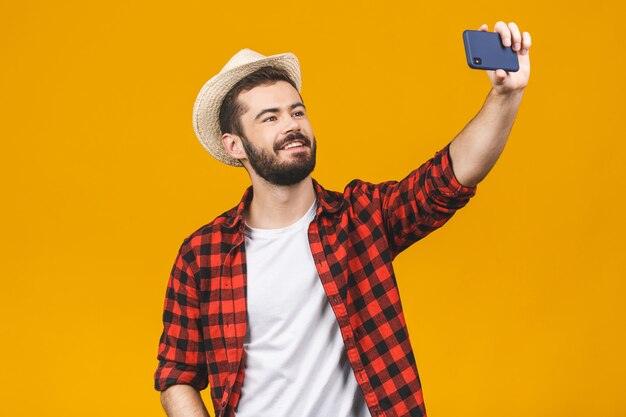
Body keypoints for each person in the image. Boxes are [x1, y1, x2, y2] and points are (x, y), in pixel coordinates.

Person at [154, 21, 532, 417]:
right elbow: (176, 374)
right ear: (235, 146)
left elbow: (450, 177)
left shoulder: (361, 217)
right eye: (270, 118)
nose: (291, 125)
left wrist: (506, 95)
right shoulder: (203, 255)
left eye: (296, 111)